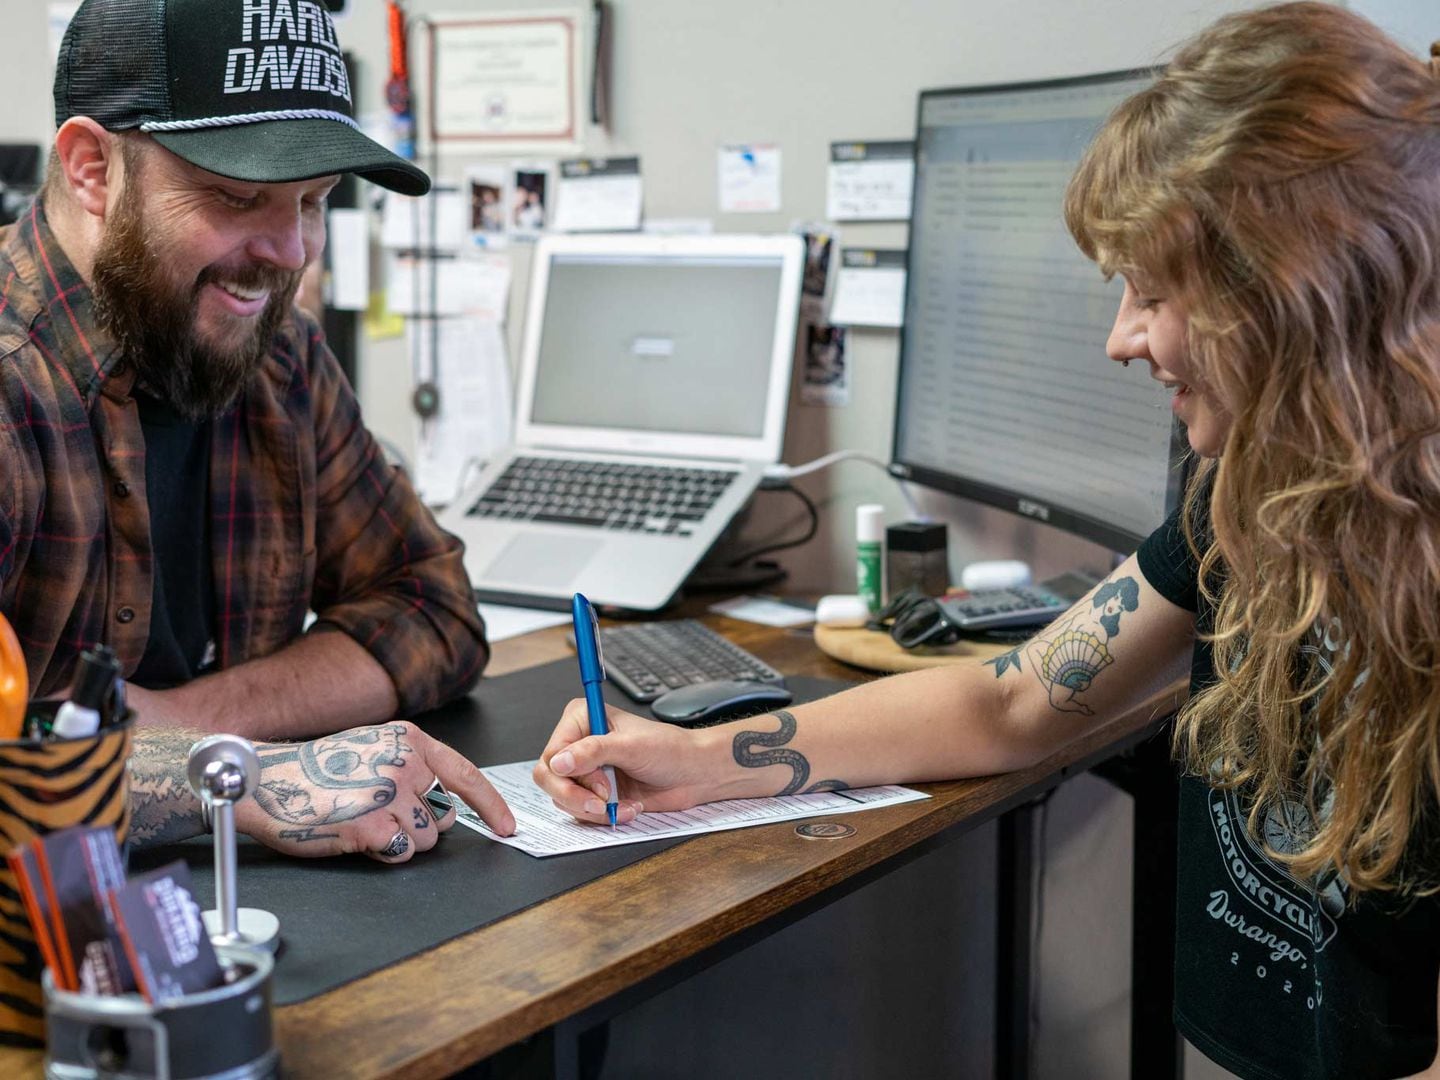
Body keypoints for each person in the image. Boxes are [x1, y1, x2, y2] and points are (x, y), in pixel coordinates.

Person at [534, 5, 1440, 1076]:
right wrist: (695, 760)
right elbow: (1012, 702)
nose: (1121, 340)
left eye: (1154, 293)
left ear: (1292, 289)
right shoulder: (1247, 501)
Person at [0, 0, 513, 859]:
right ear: (92, 168)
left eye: (313, 201)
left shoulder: (280, 356)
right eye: (240, 197)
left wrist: (193, 725)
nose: (289, 253)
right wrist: (228, 776)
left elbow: (432, 608)